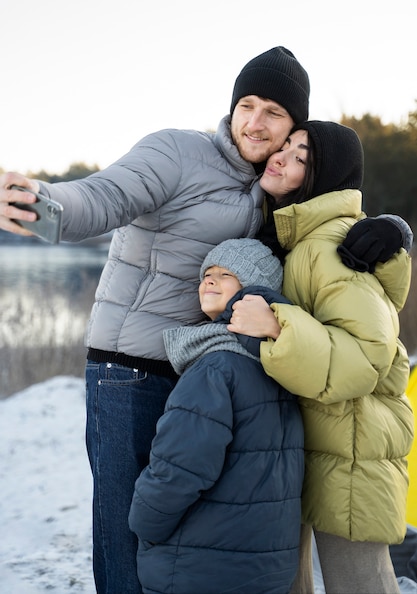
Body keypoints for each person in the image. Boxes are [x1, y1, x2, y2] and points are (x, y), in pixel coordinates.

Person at [0, 49, 409, 593]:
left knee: (184, 540)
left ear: (294, 129)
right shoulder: (179, 151)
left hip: (203, 375)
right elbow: (105, 196)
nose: (256, 123)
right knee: (125, 535)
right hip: (131, 371)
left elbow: (330, 217)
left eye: (274, 115)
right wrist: (44, 203)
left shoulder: (272, 193)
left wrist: (393, 229)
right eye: (247, 105)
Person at [227, 121, 414, 594]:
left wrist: (277, 326)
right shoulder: (295, 238)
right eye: (286, 145)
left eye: (301, 157)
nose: (282, 155)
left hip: (351, 453)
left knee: (361, 585)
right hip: (313, 446)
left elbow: (366, 359)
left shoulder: (329, 248)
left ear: (323, 179)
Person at [128, 238, 304, 594]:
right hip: (265, 564)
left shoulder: (216, 367)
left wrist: (143, 522)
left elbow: (179, 468)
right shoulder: (282, 365)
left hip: (201, 565)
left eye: (226, 275)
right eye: (207, 273)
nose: (209, 280)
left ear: (255, 291)